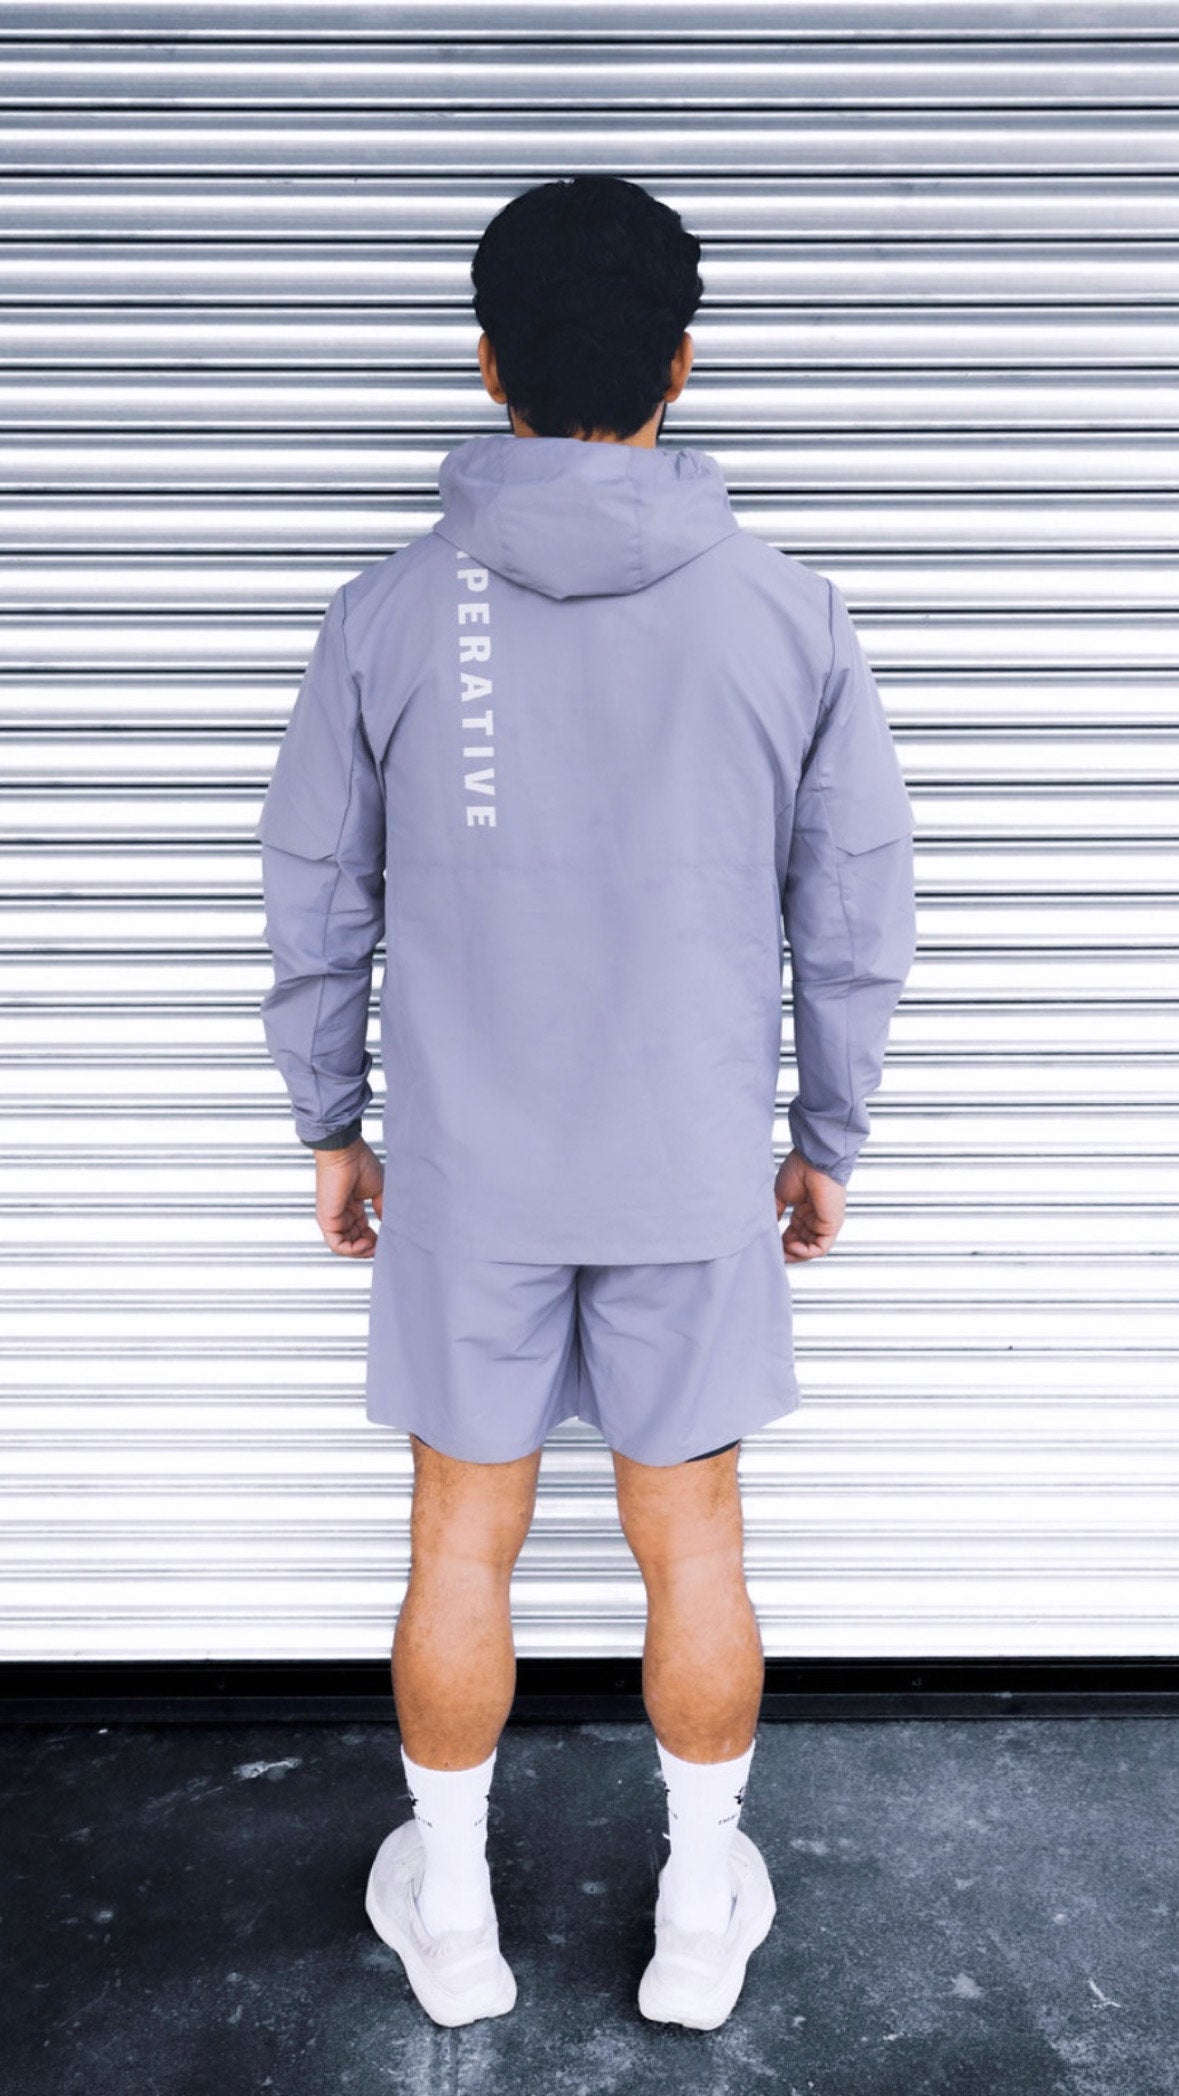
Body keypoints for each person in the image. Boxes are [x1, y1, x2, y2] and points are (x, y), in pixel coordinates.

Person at [254, 173, 917, 2033]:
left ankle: (455, 1919)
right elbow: (856, 913)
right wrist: (827, 1137)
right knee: (693, 1546)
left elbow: (314, 893)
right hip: (687, 1176)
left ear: (490, 366)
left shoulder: (389, 617)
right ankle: (699, 1916)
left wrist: (331, 1123)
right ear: (680, 367)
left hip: (468, 1178)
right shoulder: (789, 617)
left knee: (457, 1542)